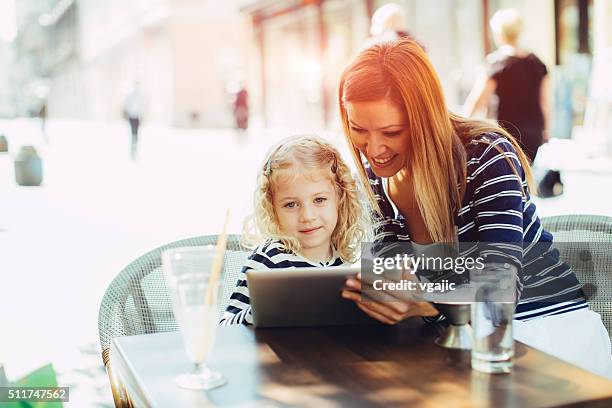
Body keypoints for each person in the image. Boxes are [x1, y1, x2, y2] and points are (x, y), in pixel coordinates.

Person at [337, 38, 612, 377]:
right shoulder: (376, 179)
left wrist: (422, 292)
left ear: (424, 118)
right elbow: (396, 276)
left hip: (545, 332)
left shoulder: (484, 155)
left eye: (392, 131)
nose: (374, 148)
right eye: (358, 129)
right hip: (455, 337)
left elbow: (501, 282)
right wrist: (383, 292)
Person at [220, 135, 370, 325]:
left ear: (340, 200)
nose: (307, 216)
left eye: (319, 200)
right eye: (291, 204)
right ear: (272, 208)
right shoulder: (269, 258)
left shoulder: (341, 258)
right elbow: (225, 326)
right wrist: (260, 309)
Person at [463, 9, 549, 163]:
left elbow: (478, 100)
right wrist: (546, 129)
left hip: (507, 133)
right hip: (534, 132)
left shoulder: (496, 64)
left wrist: (460, 127)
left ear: (498, 34)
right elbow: (545, 101)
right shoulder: (538, 63)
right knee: (527, 176)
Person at [123, 81, 144, 160]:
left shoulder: (139, 95)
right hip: (132, 116)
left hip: (137, 116)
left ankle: (134, 149)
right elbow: (127, 104)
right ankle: (132, 149)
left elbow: (142, 106)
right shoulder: (131, 95)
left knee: (135, 134)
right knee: (133, 133)